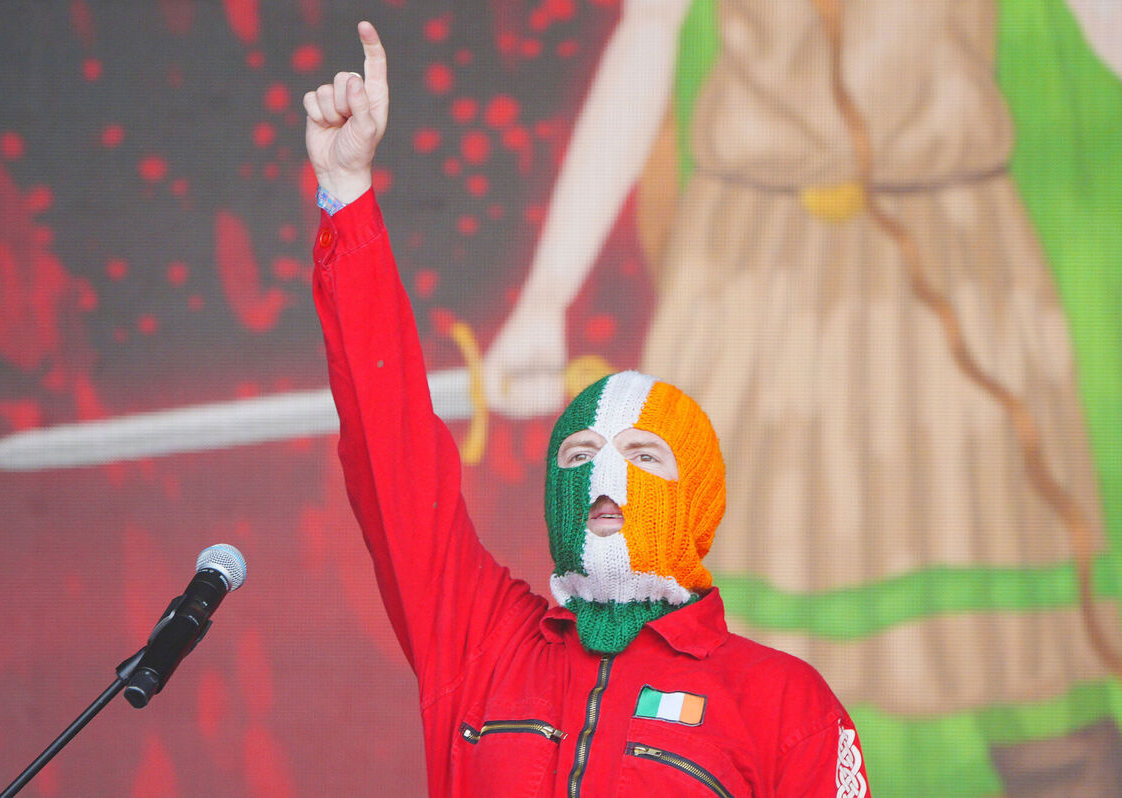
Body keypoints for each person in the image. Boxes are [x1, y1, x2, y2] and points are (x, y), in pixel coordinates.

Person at [480, 2, 1122, 794]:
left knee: (1028, 671)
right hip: (755, 291)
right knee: (726, 689)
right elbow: (647, 36)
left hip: (950, 275)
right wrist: (546, 298)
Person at [304, 22, 871, 798]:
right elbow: (393, 452)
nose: (605, 471)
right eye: (579, 455)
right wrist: (348, 195)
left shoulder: (783, 705)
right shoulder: (484, 645)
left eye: (642, 455)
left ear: (698, 499)